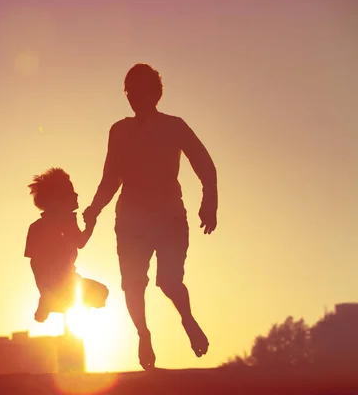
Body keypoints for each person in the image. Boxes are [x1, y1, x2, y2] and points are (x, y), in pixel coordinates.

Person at [83, 63, 218, 370]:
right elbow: (111, 177)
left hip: (168, 217)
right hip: (130, 220)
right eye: (129, 92)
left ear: (156, 93)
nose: (133, 97)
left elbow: (204, 163)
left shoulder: (174, 126)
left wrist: (210, 199)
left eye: (140, 91)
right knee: (132, 284)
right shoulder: (119, 130)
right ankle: (143, 334)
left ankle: (187, 319)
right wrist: (94, 208)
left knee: (169, 281)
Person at [25, 167, 109, 323]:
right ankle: (51, 301)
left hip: (69, 280)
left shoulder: (67, 222)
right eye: (71, 192)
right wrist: (44, 288)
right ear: (58, 199)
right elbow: (35, 262)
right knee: (96, 294)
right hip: (54, 283)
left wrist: (90, 224)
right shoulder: (39, 227)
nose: (76, 195)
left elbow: (80, 242)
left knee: (101, 293)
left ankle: (53, 302)